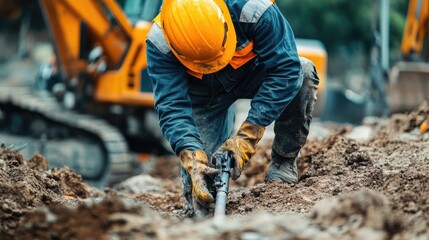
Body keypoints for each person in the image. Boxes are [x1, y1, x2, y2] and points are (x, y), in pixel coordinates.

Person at [146, 0, 319, 216]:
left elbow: (286, 69)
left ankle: (283, 162)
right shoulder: (159, 41)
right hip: (204, 98)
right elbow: (172, 107)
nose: (211, 66)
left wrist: (247, 137)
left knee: (303, 71)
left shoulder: (254, 11)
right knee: (201, 194)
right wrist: (192, 157)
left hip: (252, 73)